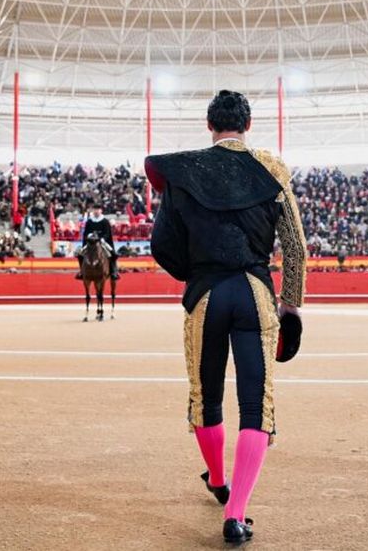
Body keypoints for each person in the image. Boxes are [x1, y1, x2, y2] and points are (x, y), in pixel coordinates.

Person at [146, 90, 306, 545]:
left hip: (206, 295)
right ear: (248, 125)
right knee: (256, 405)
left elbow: (162, 243)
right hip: (255, 293)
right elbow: (294, 246)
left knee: (206, 396)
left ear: (210, 126)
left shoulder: (185, 171)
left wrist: (193, 274)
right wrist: (290, 306)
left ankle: (218, 480)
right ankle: (235, 515)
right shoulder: (272, 168)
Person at [74, 202, 119, 280]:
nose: (96, 211)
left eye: (98, 209)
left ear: (101, 211)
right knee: (80, 254)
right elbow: (86, 232)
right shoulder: (89, 221)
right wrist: (89, 236)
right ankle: (81, 271)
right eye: (95, 209)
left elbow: (107, 233)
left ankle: (113, 272)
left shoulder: (105, 221)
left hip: (102, 241)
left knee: (113, 254)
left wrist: (102, 238)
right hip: (90, 241)